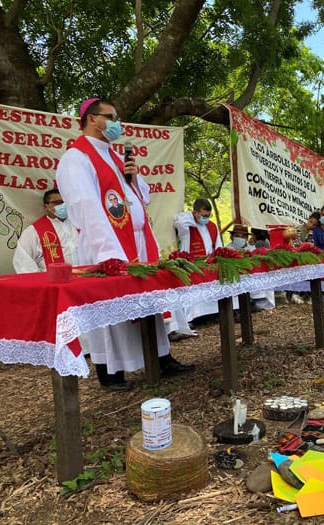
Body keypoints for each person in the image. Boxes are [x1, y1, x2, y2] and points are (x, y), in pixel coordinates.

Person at [56, 97, 194, 391]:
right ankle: (109, 371)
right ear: (92, 119)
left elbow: (142, 196)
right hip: (105, 246)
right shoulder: (76, 158)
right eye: (111, 116)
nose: (117, 123)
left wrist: (132, 176)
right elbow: (86, 206)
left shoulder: (117, 157)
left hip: (138, 244)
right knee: (110, 310)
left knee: (148, 303)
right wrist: (110, 253)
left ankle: (160, 357)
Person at [13, 189, 79, 273]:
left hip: (85, 277)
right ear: (46, 206)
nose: (62, 205)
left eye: (64, 202)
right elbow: (23, 259)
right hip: (55, 281)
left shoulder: (79, 225)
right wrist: (39, 282)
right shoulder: (34, 231)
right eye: (57, 202)